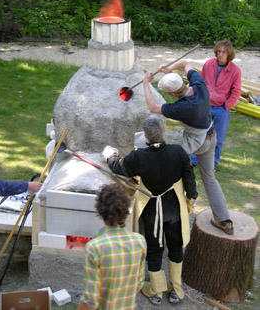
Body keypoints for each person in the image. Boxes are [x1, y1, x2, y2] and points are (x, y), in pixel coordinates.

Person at [102, 115, 198, 306]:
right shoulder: (178, 152)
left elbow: (118, 166)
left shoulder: (138, 157)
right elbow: (189, 178)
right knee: (175, 245)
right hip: (174, 207)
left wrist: (109, 154)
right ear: (163, 131)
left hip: (152, 209)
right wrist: (191, 198)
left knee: (155, 248)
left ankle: (156, 291)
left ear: (145, 135)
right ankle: (176, 291)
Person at [141, 60, 234, 236]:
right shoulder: (199, 85)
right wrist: (169, 70)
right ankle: (224, 220)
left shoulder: (183, 108)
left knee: (146, 140)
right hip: (211, 137)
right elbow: (186, 63)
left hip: (194, 142)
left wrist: (146, 83)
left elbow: (153, 107)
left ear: (173, 94)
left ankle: (160, 194)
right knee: (210, 178)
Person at [78, 183, 146, 310]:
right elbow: (139, 283)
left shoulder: (94, 247)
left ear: (100, 211)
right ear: (126, 211)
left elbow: (90, 300)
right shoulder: (140, 241)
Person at [190, 39, 241, 169]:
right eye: (218, 51)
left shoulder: (235, 71)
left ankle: (213, 163)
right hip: (205, 106)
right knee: (200, 133)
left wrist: (227, 105)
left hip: (221, 108)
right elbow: (200, 82)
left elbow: (236, 91)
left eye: (223, 52)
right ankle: (194, 160)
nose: (220, 54)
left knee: (217, 138)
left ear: (229, 54)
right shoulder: (208, 64)